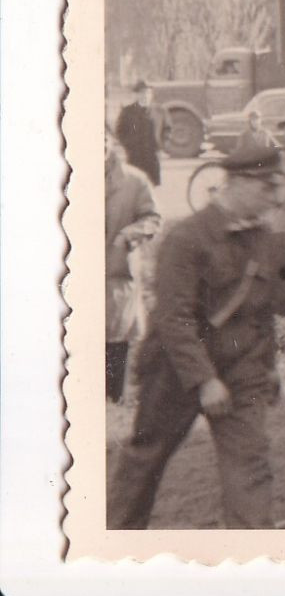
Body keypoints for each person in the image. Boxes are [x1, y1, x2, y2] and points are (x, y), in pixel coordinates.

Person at [108, 145, 285, 529]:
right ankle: (113, 543)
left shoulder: (260, 237)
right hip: (176, 369)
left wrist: (269, 365)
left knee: (250, 464)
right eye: (267, 188)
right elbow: (173, 319)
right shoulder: (187, 238)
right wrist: (204, 380)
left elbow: (262, 309)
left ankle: (253, 554)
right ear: (237, 183)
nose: (275, 198)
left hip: (241, 367)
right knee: (146, 460)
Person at [105, 128, 160, 404]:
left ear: (111, 142)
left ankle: (113, 398)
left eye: (102, 140)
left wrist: (129, 234)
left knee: (116, 334)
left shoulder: (134, 181)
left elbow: (153, 218)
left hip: (117, 269)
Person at [114, 80, 164, 186]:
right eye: (142, 93)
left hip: (152, 157)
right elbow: (120, 131)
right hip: (135, 157)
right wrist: (129, 145)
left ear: (152, 95)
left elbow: (167, 129)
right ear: (136, 95)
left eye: (148, 93)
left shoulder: (159, 111)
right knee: (134, 185)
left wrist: (161, 145)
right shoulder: (127, 112)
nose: (145, 96)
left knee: (152, 186)